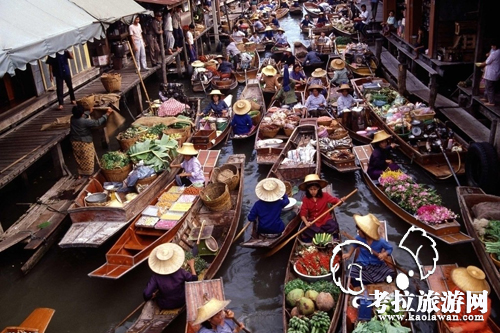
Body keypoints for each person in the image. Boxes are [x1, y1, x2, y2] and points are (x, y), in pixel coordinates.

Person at [342, 214, 396, 287]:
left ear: (366, 233)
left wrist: (384, 254)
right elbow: (355, 245)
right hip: (362, 263)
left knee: (391, 274)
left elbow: (390, 248)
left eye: (360, 231)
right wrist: (349, 254)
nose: (358, 232)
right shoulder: (358, 238)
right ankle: (370, 281)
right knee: (353, 276)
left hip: (376, 265)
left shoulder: (380, 241)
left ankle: (368, 281)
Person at [143, 243, 198, 310]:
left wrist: (152, 295)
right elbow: (194, 279)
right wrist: (192, 265)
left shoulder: (155, 277)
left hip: (165, 304)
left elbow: (146, 294)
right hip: (182, 301)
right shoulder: (180, 272)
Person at [444, 266, 492, 333]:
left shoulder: (486, 301)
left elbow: (480, 323)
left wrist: (462, 328)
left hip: (477, 329)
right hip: (455, 325)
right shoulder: (458, 290)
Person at [70, 105, 111, 178]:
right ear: (82, 114)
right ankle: (89, 175)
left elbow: (82, 117)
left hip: (74, 142)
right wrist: (106, 114)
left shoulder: (72, 119)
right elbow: (97, 123)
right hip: (84, 142)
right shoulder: (85, 122)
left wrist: (88, 112)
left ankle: (81, 174)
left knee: (79, 158)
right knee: (88, 158)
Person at [299, 174, 343, 242]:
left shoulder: (325, 195)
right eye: (311, 189)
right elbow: (302, 213)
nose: (313, 191)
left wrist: (340, 201)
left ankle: (324, 235)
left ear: (318, 188)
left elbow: (336, 202)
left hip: (326, 219)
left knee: (334, 226)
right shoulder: (305, 199)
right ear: (308, 189)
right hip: (313, 221)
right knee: (304, 229)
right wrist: (306, 222)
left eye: (315, 189)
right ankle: (322, 234)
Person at [478, 41, 500, 106]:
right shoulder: (497, 52)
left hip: (492, 73)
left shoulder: (495, 53)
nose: (492, 47)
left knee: (490, 88)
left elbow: (487, 61)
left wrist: (480, 64)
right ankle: (486, 98)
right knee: (487, 86)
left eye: (493, 46)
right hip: (495, 71)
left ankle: (491, 102)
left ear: (496, 46)